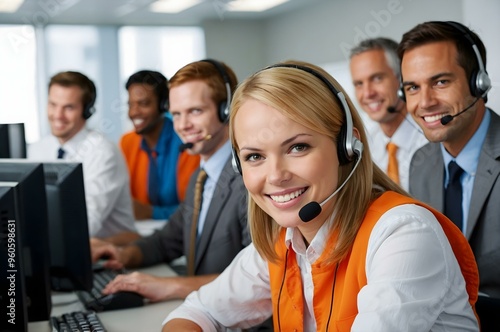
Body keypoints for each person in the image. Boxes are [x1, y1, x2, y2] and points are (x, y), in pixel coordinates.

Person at [162, 60, 479, 331]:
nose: (275, 176)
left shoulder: (403, 233)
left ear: (347, 147)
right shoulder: (284, 242)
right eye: (254, 156)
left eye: (297, 147)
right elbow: (195, 312)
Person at [91, 59, 252, 303]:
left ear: (226, 109)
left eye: (195, 111)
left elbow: (259, 279)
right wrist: (122, 254)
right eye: (176, 114)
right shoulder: (201, 177)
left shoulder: (250, 181)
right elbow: (168, 240)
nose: (183, 125)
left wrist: (169, 286)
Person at [398, 20, 500, 329]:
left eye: (440, 82)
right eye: (412, 88)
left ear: (478, 82)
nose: (424, 102)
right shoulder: (421, 163)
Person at [28, 71, 138, 245]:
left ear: (87, 111)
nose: (58, 115)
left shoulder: (102, 152)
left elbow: (86, 223)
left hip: (111, 253)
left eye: (69, 107)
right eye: (53, 104)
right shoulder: (38, 149)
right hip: (59, 247)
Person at [349, 37, 427, 191]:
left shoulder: (431, 138)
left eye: (377, 78)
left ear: (402, 78)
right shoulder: (366, 148)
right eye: (359, 84)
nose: (367, 93)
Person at [120, 70, 199, 220]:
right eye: (131, 104)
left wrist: (151, 212)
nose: (134, 112)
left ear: (164, 105)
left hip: (185, 233)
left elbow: (197, 208)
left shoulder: (186, 140)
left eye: (143, 104)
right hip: (142, 231)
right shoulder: (127, 142)